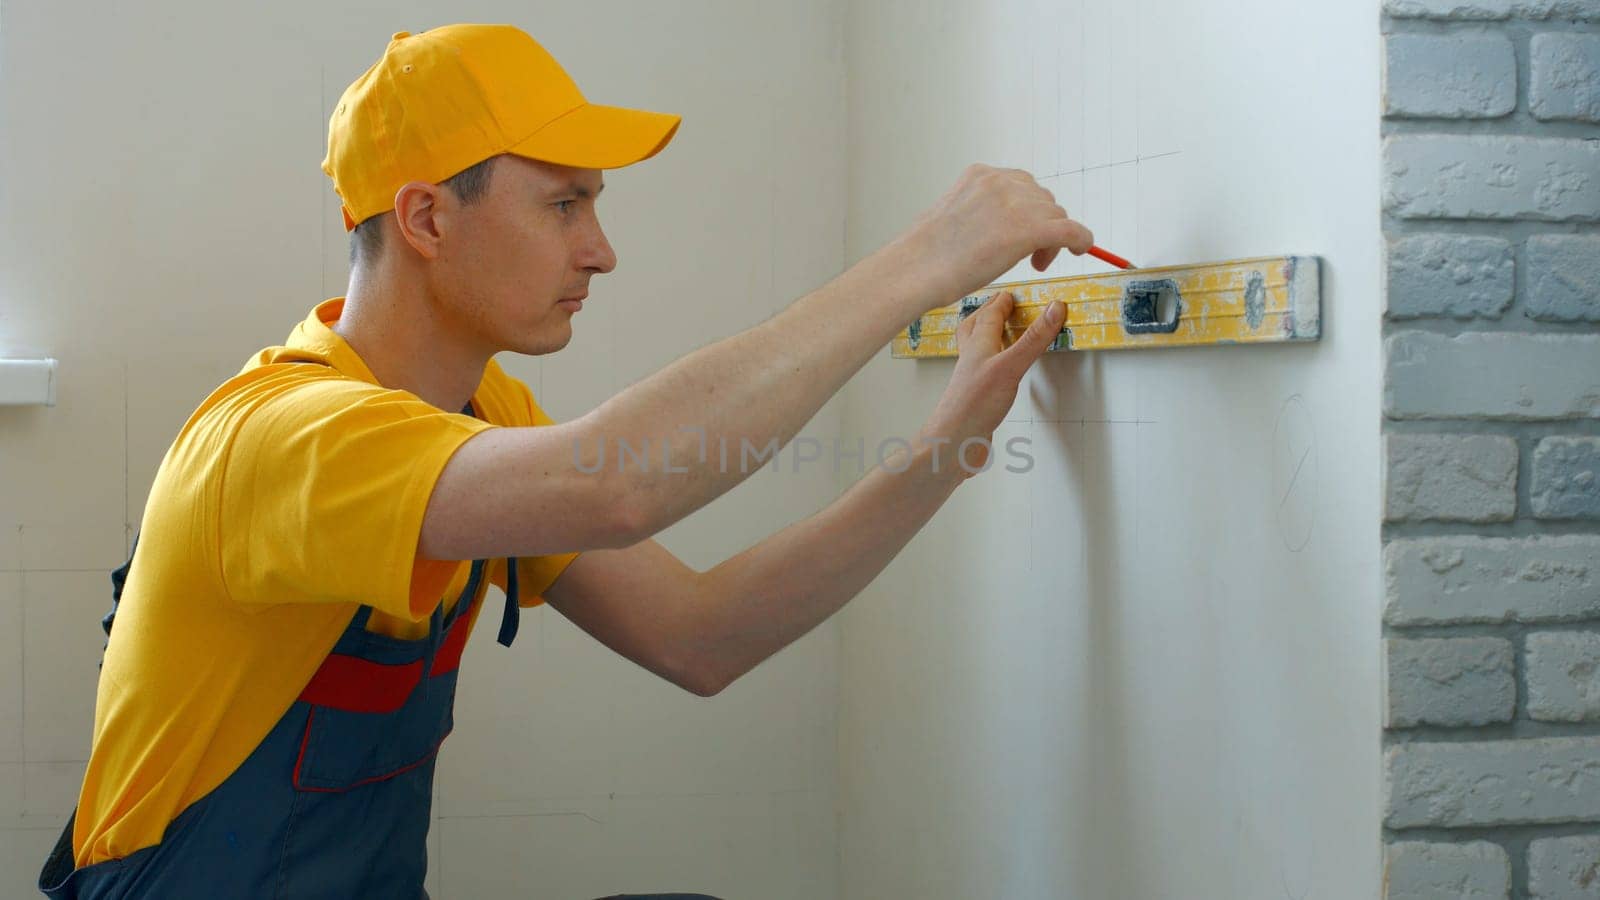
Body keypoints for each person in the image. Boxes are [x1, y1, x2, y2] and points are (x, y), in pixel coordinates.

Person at [38, 22, 1091, 900]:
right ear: (424, 218)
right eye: (562, 204)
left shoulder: (475, 411)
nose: (600, 248)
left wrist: (945, 449)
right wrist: (927, 256)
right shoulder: (284, 439)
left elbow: (700, 638)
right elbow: (618, 483)